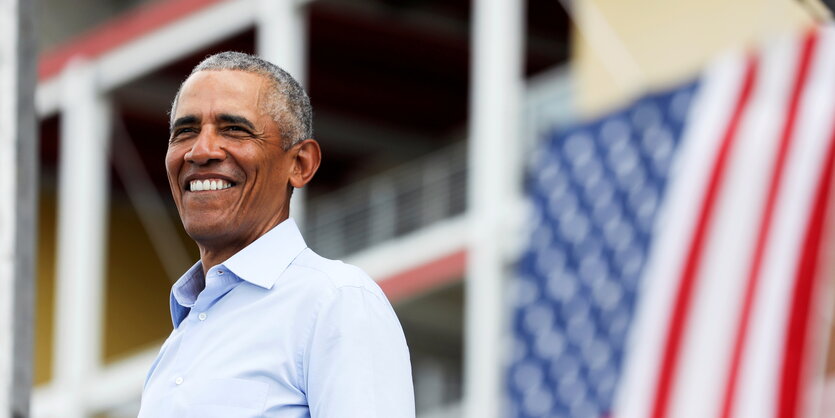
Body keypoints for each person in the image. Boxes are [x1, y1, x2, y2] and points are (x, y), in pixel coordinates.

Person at [138, 51, 415, 417]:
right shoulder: (178, 343)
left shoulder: (334, 301)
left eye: (234, 129)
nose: (200, 151)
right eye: (185, 131)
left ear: (300, 164)